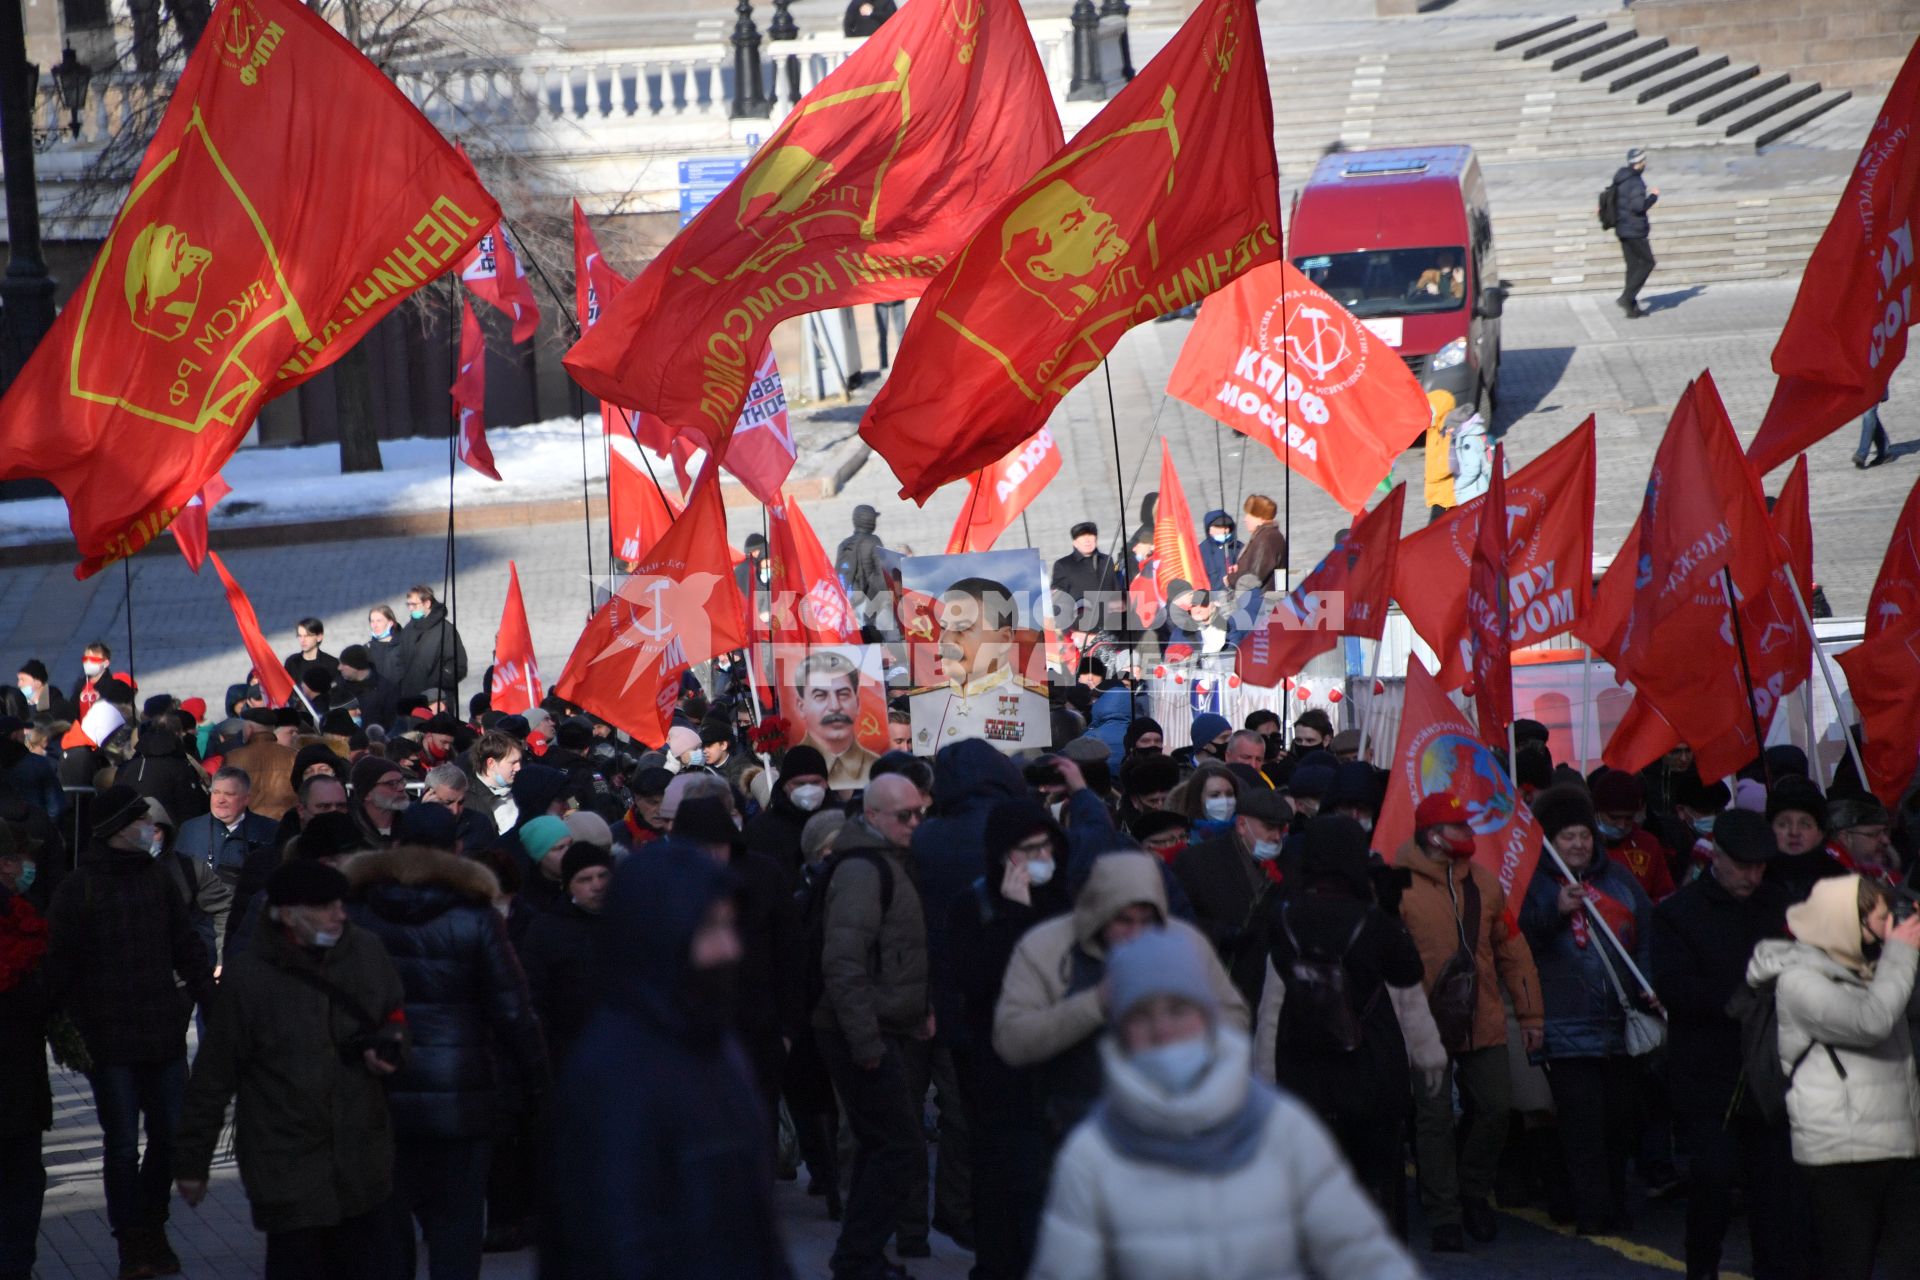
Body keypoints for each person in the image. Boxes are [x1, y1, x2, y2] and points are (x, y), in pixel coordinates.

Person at [1028, 928, 1421, 1280]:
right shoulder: (1092, 1154)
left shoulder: (1278, 1127)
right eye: (1143, 1016)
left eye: (1179, 1011)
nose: (1164, 1030)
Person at [541, 843, 793, 1278]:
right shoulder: (614, 1073)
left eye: (730, 926)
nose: (730, 948)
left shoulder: (712, 1044)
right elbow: (614, 1244)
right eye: (710, 928)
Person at [172, 860, 406, 1280]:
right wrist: (192, 1163)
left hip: (361, 1154)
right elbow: (214, 1074)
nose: (339, 914)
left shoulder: (366, 951)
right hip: (283, 1157)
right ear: (288, 914)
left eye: (340, 903)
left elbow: (395, 1014)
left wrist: (389, 1046)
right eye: (325, 907)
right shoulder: (250, 977)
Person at [345, 841, 547, 1280]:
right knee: (457, 1222)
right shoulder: (476, 916)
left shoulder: (359, 911)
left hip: (383, 1091)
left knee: (388, 1225)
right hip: (461, 1093)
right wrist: (537, 1085)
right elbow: (512, 1008)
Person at [43, 785, 214, 1278]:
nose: (149, 830)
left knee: (170, 1133)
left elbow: (185, 945)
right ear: (117, 829)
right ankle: (131, 1239)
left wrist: (208, 999)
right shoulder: (81, 888)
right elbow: (60, 964)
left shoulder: (159, 880)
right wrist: (54, 1023)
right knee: (121, 1142)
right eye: (140, 822)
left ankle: (152, 1224)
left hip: (161, 1028)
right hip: (108, 1035)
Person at [1253, 817, 1442, 1230]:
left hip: (1302, 1069)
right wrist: (1429, 1057)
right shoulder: (1374, 923)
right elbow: (1408, 982)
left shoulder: (1284, 921)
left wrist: (1265, 1080)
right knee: (1377, 1181)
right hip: (1372, 1068)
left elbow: (1271, 1007)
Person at [1650, 810, 1809, 1280]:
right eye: (1743, 865)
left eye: (1761, 865)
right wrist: (1749, 998)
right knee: (1714, 1181)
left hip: (1770, 1073)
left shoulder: (1780, 908)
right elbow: (1677, 990)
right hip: (1708, 1073)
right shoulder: (1679, 914)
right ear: (1716, 856)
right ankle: (1702, 1266)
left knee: (1773, 1190)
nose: (1752, 876)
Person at [995, 851, 1248, 1146]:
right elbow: (1012, 1039)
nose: (1135, 934)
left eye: (1146, 921)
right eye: (1123, 921)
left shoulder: (1186, 943)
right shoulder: (1047, 948)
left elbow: (1234, 1016)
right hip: (1070, 1132)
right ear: (1099, 916)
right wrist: (1095, 1004)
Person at [1747, 873, 1920, 1280]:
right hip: (1841, 1149)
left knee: (1908, 1263)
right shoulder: (1798, 980)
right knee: (1849, 1264)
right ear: (1845, 923)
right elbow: (1870, 1022)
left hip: (1900, 1140)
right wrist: (1901, 952)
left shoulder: (1874, 969)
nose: (1888, 930)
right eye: (1881, 919)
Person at [1397, 788, 1543, 1251]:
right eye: (1458, 827)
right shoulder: (1395, 885)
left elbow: (1513, 953)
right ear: (1433, 835)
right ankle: (1444, 1213)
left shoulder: (1485, 882)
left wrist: (1531, 1013)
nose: (1469, 833)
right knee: (1434, 1118)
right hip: (1422, 1025)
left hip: (1483, 1016)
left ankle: (1473, 1190)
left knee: (1497, 1107)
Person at [1521, 784, 1659, 1237]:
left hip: (1619, 1026)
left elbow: (1645, 938)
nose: (1578, 844)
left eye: (1583, 835)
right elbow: (1519, 944)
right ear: (1550, 842)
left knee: (1619, 1124)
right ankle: (1591, 1210)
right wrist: (1554, 912)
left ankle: (1616, 1202)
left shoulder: (1619, 881)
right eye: (1567, 837)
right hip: (1564, 1027)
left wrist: (1649, 989)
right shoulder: (1532, 885)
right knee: (1582, 1126)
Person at [811, 773, 932, 1280]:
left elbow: (899, 953)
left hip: (885, 1027)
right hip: (863, 1032)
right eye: (904, 816)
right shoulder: (864, 871)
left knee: (882, 1144)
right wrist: (865, 1041)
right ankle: (857, 1256)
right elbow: (844, 962)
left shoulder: (890, 862)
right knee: (897, 1146)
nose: (914, 823)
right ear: (875, 816)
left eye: (919, 813)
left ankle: (860, 1253)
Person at [949, 797, 1073, 1279]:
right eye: (1026, 850)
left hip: (1061, 1065)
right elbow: (979, 980)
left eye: (1045, 847)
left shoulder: (1066, 899)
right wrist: (1016, 919)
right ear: (1003, 855)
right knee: (1008, 1183)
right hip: (1000, 1069)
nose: (1039, 859)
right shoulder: (976, 905)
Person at [1172, 788, 1292, 1006]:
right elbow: (1178, 919)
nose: (1276, 836)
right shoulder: (1198, 862)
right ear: (1242, 825)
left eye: (1281, 829)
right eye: (1269, 828)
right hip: (1215, 982)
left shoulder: (1288, 862)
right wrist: (1226, 934)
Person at [0, 825, 50, 1280]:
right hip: (18, 1082)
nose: (23, 867)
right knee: (21, 1183)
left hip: (20, 1083)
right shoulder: (20, 918)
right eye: (16, 859)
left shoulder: (24, 914)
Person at [173, 766, 281, 971]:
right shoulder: (190, 829)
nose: (220, 800)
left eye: (229, 794)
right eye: (216, 793)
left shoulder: (269, 831)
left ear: (246, 798)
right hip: (201, 929)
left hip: (247, 927)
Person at [520, 843, 612, 1073]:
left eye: (603, 876)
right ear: (569, 886)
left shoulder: (630, 920)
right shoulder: (546, 930)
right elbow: (534, 996)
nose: (597, 886)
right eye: (585, 879)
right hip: (572, 1055)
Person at [791, 652, 880, 789]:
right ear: (801, 707)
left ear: (857, 703)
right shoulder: (790, 771)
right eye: (820, 696)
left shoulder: (879, 770)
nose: (835, 706)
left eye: (843, 694)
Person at [744, 744, 829, 881]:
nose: (808, 789)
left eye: (815, 782)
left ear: (826, 783)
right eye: (799, 784)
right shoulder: (762, 830)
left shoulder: (841, 822)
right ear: (784, 785)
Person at [1591, 768, 1676, 902]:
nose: (1622, 825)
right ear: (1597, 811)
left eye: (1628, 818)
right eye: (1614, 818)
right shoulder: (1583, 845)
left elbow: (1665, 895)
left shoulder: (1648, 844)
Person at [1765, 776, 1844, 902]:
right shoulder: (1755, 878)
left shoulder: (1840, 882)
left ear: (1820, 833)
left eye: (1805, 824)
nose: (1794, 832)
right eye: (1783, 824)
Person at [1052, 521, 1123, 643]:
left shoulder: (1107, 560)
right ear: (1074, 542)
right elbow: (1058, 599)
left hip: (1110, 629)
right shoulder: (1063, 565)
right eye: (1082, 536)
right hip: (1081, 631)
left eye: (1090, 535)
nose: (1087, 540)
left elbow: (1116, 590)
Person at [396, 585, 469, 701]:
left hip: (436, 701)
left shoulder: (446, 630)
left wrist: (434, 684)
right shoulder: (408, 629)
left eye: (414, 605)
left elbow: (458, 666)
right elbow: (399, 661)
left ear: (427, 604)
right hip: (410, 701)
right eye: (408, 604)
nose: (410, 608)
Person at [1610, 145, 1659, 318]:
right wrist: (1653, 197)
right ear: (1638, 163)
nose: (1645, 164)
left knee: (1632, 266)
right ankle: (1627, 297)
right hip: (1634, 230)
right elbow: (1638, 207)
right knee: (1647, 263)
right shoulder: (1636, 182)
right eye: (1643, 161)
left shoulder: (1620, 178)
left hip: (1622, 228)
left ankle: (1632, 309)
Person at [834, 504, 889, 630]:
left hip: (849, 601)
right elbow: (881, 574)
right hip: (871, 600)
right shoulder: (874, 541)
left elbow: (838, 573)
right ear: (870, 521)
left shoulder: (844, 544)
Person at [1232, 494, 1286, 596]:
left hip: (1262, 604)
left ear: (1261, 518)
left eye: (1249, 515)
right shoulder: (1264, 536)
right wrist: (1239, 569)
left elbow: (1254, 577)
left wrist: (1231, 579)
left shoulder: (1267, 539)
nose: (1245, 519)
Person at [283, 617, 339, 688]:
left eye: (307, 636)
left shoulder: (332, 664)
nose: (302, 640)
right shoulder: (292, 662)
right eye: (300, 636)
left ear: (319, 637)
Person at [1198, 510, 1241, 591]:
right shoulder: (1200, 552)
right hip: (1213, 600)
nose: (1224, 530)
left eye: (1227, 527)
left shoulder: (1240, 547)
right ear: (1209, 530)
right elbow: (1196, 582)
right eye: (1218, 527)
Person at [1855, 389, 1891, 470]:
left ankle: (1861, 454)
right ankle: (1884, 449)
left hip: (1874, 382)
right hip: (1863, 382)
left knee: (1868, 413)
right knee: (1870, 415)